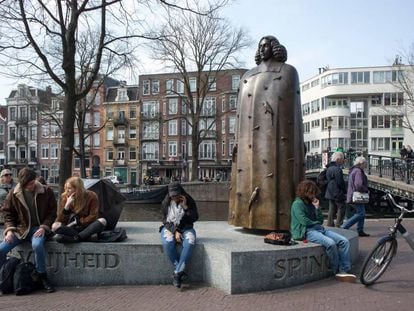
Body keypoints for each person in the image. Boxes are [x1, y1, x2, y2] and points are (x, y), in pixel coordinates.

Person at [229, 35, 304, 230]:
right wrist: (237, 139)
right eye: (260, 46)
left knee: (276, 178)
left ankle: (278, 219)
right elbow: (239, 113)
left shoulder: (288, 72)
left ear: (275, 47)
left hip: (278, 141)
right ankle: (246, 217)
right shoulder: (247, 76)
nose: (262, 49)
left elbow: (293, 111)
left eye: (266, 46)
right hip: (247, 141)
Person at [0, 167, 57, 292]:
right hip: (20, 229)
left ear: (34, 180)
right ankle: (5, 277)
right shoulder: (14, 194)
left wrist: (44, 227)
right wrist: (9, 230)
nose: (29, 187)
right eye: (26, 185)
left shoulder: (46, 191)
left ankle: (42, 277)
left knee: (37, 245)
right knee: (1, 249)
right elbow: (7, 213)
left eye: (31, 184)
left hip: (38, 228)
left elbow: (52, 213)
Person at [290, 180, 356, 282]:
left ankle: (345, 269)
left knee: (344, 241)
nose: (313, 195)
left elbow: (320, 220)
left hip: (317, 228)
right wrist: (316, 223)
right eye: (310, 193)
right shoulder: (297, 204)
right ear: (304, 192)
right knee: (330, 243)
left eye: (313, 193)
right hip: (305, 231)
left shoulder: (312, 203)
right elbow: (304, 221)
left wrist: (317, 208)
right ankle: (338, 271)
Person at [159, 183, 198, 288]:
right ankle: (180, 271)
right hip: (170, 227)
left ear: (181, 193)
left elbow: (194, 218)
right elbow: (164, 220)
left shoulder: (189, 201)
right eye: (172, 195)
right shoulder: (165, 203)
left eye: (176, 195)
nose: (174, 197)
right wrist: (175, 230)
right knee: (168, 243)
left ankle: (176, 273)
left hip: (186, 227)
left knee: (190, 241)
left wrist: (185, 207)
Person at [52, 176, 106, 243]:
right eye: (66, 188)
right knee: (55, 226)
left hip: (87, 227)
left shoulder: (92, 196)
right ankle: (82, 237)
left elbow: (93, 216)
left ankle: (77, 237)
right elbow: (60, 220)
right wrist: (66, 206)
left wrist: (79, 222)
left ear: (77, 189)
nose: (66, 190)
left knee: (102, 221)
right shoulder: (65, 197)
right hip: (72, 228)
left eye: (69, 188)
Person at [341, 156, 370, 237]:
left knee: (361, 213)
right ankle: (344, 226)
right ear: (361, 163)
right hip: (357, 196)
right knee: (361, 213)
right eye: (365, 163)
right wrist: (365, 190)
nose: (365, 165)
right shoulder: (358, 172)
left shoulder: (353, 170)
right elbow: (358, 185)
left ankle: (360, 230)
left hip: (353, 195)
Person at [325, 152, 347, 227]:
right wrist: (344, 190)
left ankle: (330, 224)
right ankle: (338, 224)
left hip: (330, 191)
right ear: (338, 159)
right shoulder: (337, 169)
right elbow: (340, 181)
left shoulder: (329, 168)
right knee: (341, 207)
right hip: (337, 192)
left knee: (332, 209)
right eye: (342, 159)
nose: (343, 161)